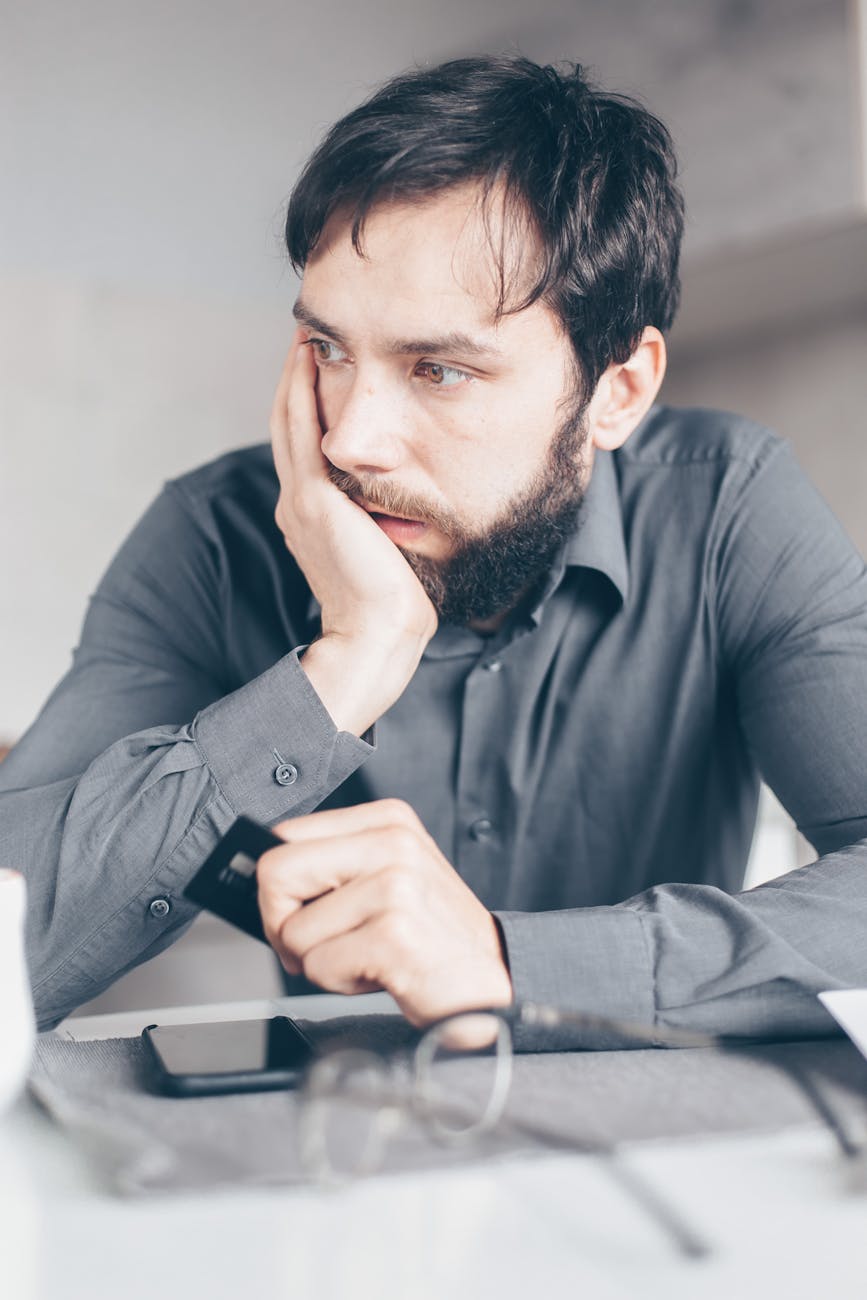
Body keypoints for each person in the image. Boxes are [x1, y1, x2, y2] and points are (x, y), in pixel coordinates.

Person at [3, 55, 866, 1046]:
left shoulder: (730, 511)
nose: (348, 441)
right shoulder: (212, 538)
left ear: (617, 393)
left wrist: (506, 962)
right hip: (342, 1151)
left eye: (441, 369)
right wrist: (344, 666)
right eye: (329, 350)